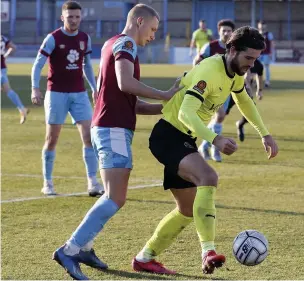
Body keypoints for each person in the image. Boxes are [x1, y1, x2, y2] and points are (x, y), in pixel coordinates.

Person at [132, 26, 278, 276]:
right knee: (208, 177)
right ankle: (208, 251)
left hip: (184, 139)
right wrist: (215, 138)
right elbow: (184, 113)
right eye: (248, 58)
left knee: (187, 211)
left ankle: (145, 258)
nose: (251, 65)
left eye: (255, 59)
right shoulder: (209, 72)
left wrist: (264, 133)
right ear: (232, 50)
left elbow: (244, 100)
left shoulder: (234, 72)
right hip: (168, 136)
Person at [52, 4, 182, 280]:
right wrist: (166, 95)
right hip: (112, 129)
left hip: (109, 126)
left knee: (115, 195)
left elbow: (128, 100)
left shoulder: (112, 43)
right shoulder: (126, 45)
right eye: (153, 29)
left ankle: (84, 248)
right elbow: (126, 83)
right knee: (115, 197)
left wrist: (166, 107)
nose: (153, 35)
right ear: (138, 21)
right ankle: (70, 249)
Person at [31, 1, 103, 197]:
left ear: (81, 17)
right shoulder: (53, 38)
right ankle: (47, 182)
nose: (74, 20)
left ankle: (92, 182)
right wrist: (35, 88)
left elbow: (87, 65)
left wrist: (94, 88)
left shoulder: (84, 38)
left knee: (89, 137)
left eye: (77, 17)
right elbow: (38, 65)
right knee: (52, 139)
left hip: (79, 94)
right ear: (62, 17)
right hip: (56, 94)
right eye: (70, 16)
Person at [194, 19, 235, 161]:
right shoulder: (210, 47)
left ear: (232, 33)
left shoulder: (235, 48)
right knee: (220, 114)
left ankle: (205, 146)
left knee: (219, 118)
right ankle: (215, 149)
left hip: (226, 89)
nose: (226, 33)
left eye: (229, 31)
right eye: (224, 30)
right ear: (219, 32)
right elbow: (197, 61)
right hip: (210, 89)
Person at [1, 35, 29, 124]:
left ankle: (22, 109)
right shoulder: (2, 38)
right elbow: (13, 47)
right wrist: (5, 55)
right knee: (7, 90)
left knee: (7, 90)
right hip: (2, 67)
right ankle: (22, 108)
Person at [257, 20, 274, 88]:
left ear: (265, 26)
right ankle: (257, 81)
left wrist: (271, 52)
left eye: (263, 25)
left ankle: (267, 82)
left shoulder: (269, 34)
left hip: (266, 53)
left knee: (266, 67)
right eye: (260, 25)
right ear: (258, 26)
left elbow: (272, 44)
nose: (262, 27)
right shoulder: (257, 34)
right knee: (256, 68)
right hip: (258, 54)